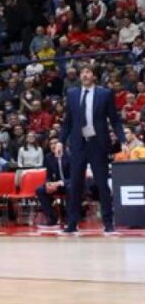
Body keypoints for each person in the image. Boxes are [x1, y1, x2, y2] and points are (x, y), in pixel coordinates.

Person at [61, 66, 125, 235]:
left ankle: (108, 223)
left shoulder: (104, 94)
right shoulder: (72, 94)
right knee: (75, 185)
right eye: (82, 73)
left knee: (102, 184)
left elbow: (115, 119)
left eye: (88, 72)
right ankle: (72, 223)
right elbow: (67, 121)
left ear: (94, 76)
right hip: (78, 144)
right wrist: (61, 141)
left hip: (98, 143)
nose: (85, 75)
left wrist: (123, 140)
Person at [36, 141, 71, 228]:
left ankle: (69, 217)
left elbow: (74, 177)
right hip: (55, 185)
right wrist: (48, 184)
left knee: (70, 188)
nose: (53, 145)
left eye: (55, 143)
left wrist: (59, 183)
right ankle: (52, 217)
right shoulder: (48, 157)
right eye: (51, 144)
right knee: (40, 190)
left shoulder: (70, 156)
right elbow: (48, 175)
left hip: (69, 183)